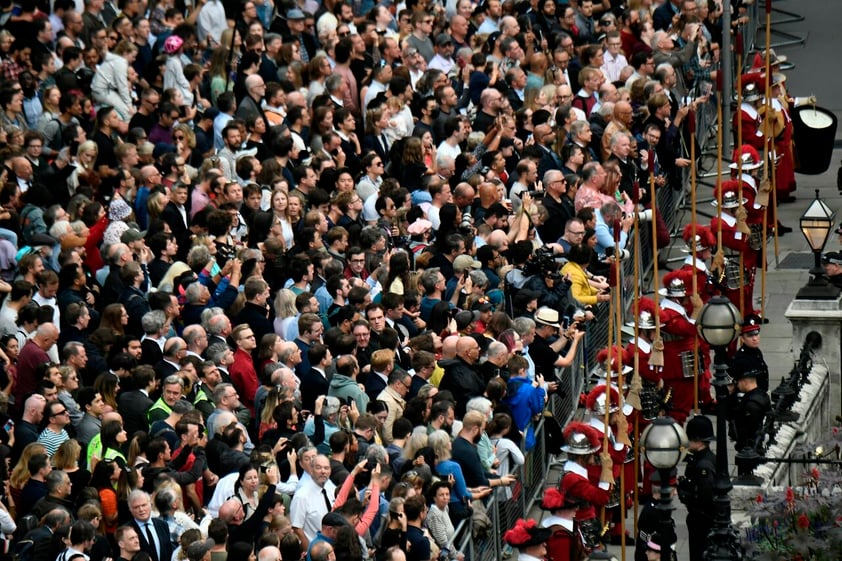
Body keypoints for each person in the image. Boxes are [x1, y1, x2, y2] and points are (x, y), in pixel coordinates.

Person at [677, 415, 716, 561]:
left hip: (702, 521)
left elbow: (705, 498)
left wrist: (684, 494)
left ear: (697, 440)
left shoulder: (703, 467)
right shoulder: (703, 459)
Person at [725, 368, 771, 481]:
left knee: (745, 478)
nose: (737, 385)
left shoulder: (751, 404)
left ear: (745, 381)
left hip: (750, 451)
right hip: (753, 448)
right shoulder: (761, 395)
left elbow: (747, 428)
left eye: (738, 382)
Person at [728, 314, 769, 393]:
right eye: (750, 336)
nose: (755, 338)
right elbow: (731, 386)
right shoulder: (740, 359)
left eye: (756, 334)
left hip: (761, 397)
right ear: (742, 339)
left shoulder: (757, 352)